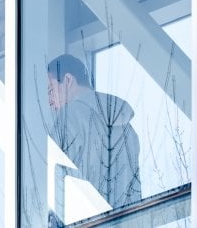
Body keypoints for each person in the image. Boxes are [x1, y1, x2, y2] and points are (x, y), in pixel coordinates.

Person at [46, 54, 142, 212]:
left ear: (68, 81)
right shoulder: (127, 129)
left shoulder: (70, 116)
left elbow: (52, 181)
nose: (49, 100)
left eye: (51, 89)